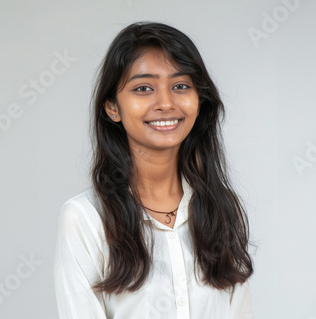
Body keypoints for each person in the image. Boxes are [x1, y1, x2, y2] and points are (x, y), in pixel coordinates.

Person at [54, 21, 254, 319]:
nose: (165, 103)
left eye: (181, 86)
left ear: (200, 100)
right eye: (143, 88)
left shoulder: (223, 209)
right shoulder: (85, 219)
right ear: (112, 107)